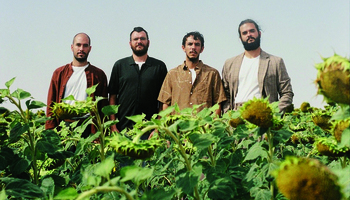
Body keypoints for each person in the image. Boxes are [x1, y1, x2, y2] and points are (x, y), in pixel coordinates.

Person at [222, 19, 293, 112]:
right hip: (237, 114)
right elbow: (224, 95)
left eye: (252, 31)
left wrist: (274, 113)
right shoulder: (230, 64)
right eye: (244, 33)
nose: (249, 34)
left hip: (264, 112)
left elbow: (287, 93)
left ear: (259, 33)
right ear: (240, 38)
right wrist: (229, 116)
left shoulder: (275, 62)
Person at [46, 33, 108, 138]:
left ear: (90, 48)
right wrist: (50, 129)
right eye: (78, 45)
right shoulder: (59, 73)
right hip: (64, 125)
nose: (81, 49)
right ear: (72, 47)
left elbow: (103, 106)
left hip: (88, 126)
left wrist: (99, 134)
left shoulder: (98, 75)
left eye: (85, 45)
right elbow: (51, 102)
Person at [109, 27, 167, 133]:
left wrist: (158, 127)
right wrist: (113, 125)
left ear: (148, 42)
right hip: (123, 128)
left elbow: (164, 100)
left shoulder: (159, 67)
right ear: (130, 43)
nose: (139, 41)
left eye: (142, 39)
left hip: (150, 130)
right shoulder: (120, 65)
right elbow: (112, 97)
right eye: (135, 39)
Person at [158, 31, 227, 116]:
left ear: (202, 49)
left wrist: (212, 125)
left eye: (197, 44)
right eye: (190, 44)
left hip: (203, 127)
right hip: (178, 127)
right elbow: (165, 103)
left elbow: (218, 103)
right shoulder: (172, 74)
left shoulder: (212, 74)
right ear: (183, 48)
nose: (193, 47)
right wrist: (168, 125)